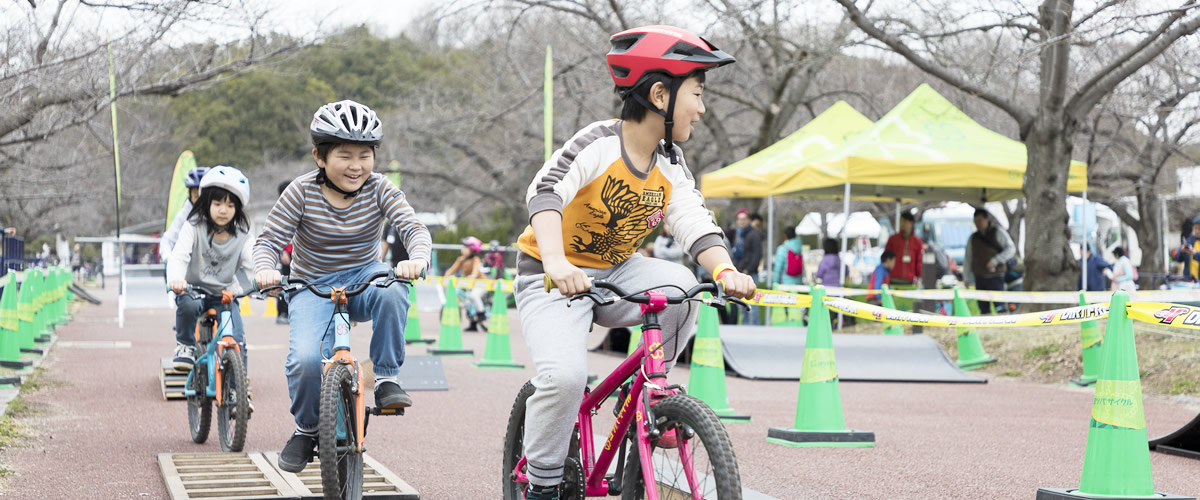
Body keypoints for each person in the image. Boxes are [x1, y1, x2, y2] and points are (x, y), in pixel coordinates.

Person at [511, 25, 755, 500]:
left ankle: (644, 397)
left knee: (684, 290)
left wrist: (725, 270)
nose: (702, 109)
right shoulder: (599, 144)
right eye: (697, 95)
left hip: (615, 273)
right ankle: (541, 485)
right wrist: (558, 262)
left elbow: (692, 219)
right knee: (563, 378)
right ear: (660, 94)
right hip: (551, 277)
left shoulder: (670, 160)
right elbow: (544, 193)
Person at [253, 99, 431, 474]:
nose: (356, 166)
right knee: (304, 361)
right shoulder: (300, 192)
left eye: (365, 155)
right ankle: (305, 429)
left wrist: (417, 257)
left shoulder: (380, 187)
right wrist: (266, 270)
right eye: (345, 155)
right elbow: (268, 242)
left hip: (365, 277)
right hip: (310, 284)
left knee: (394, 289)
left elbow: (413, 228)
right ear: (319, 156)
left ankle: (386, 379)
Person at [166, 166, 254, 378]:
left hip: (224, 294)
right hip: (194, 289)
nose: (223, 210)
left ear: (238, 209)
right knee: (187, 305)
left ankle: (235, 389)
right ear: (206, 204)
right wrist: (176, 280)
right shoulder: (193, 226)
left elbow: (253, 263)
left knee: (237, 338)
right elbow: (179, 256)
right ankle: (185, 345)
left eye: (230, 205)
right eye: (217, 204)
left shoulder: (243, 235)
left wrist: (264, 279)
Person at [964, 208, 1016, 314]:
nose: (977, 224)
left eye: (980, 220)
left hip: (996, 276)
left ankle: (1003, 325)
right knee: (983, 307)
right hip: (979, 277)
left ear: (987, 219)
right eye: (975, 221)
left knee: (1000, 305)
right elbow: (968, 258)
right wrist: (966, 277)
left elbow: (1011, 249)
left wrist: (996, 260)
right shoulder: (973, 238)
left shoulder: (998, 232)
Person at [159, 167, 210, 263]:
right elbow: (167, 240)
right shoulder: (184, 214)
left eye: (203, 196)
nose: (200, 200)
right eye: (196, 196)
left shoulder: (218, 212)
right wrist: (168, 259)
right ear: (189, 194)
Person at [444, 236, 489, 331]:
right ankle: (473, 325)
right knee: (468, 303)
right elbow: (452, 269)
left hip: (481, 284)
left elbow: (475, 271)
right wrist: (445, 276)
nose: (463, 249)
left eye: (466, 247)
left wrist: (473, 275)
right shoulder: (460, 259)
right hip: (471, 284)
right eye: (463, 247)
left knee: (474, 296)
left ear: (472, 250)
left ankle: (481, 313)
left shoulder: (475, 259)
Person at [728, 208, 763, 324]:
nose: (741, 222)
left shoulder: (754, 234)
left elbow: (757, 255)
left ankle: (754, 329)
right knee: (741, 305)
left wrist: (748, 269)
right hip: (739, 272)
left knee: (753, 303)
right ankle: (745, 328)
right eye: (739, 219)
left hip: (750, 273)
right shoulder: (737, 234)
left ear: (749, 220)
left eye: (744, 219)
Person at [884, 211, 923, 285]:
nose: (902, 224)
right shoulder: (893, 239)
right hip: (893, 279)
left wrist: (919, 277)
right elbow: (886, 259)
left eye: (904, 221)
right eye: (901, 221)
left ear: (911, 223)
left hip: (910, 281)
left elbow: (919, 262)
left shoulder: (917, 242)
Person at [275, 181, 293, 325]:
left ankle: (294, 312)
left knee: (299, 284)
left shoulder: (299, 206)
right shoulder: (279, 211)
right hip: (286, 254)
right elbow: (277, 235)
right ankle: (282, 312)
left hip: (299, 254)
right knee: (284, 284)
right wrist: (282, 253)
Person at [1175, 216, 1200, 281]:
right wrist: (1182, 252)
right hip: (1189, 282)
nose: (1197, 231)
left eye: (1199, 229)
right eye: (1195, 228)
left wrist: (1195, 253)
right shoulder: (1189, 241)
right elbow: (1178, 259)